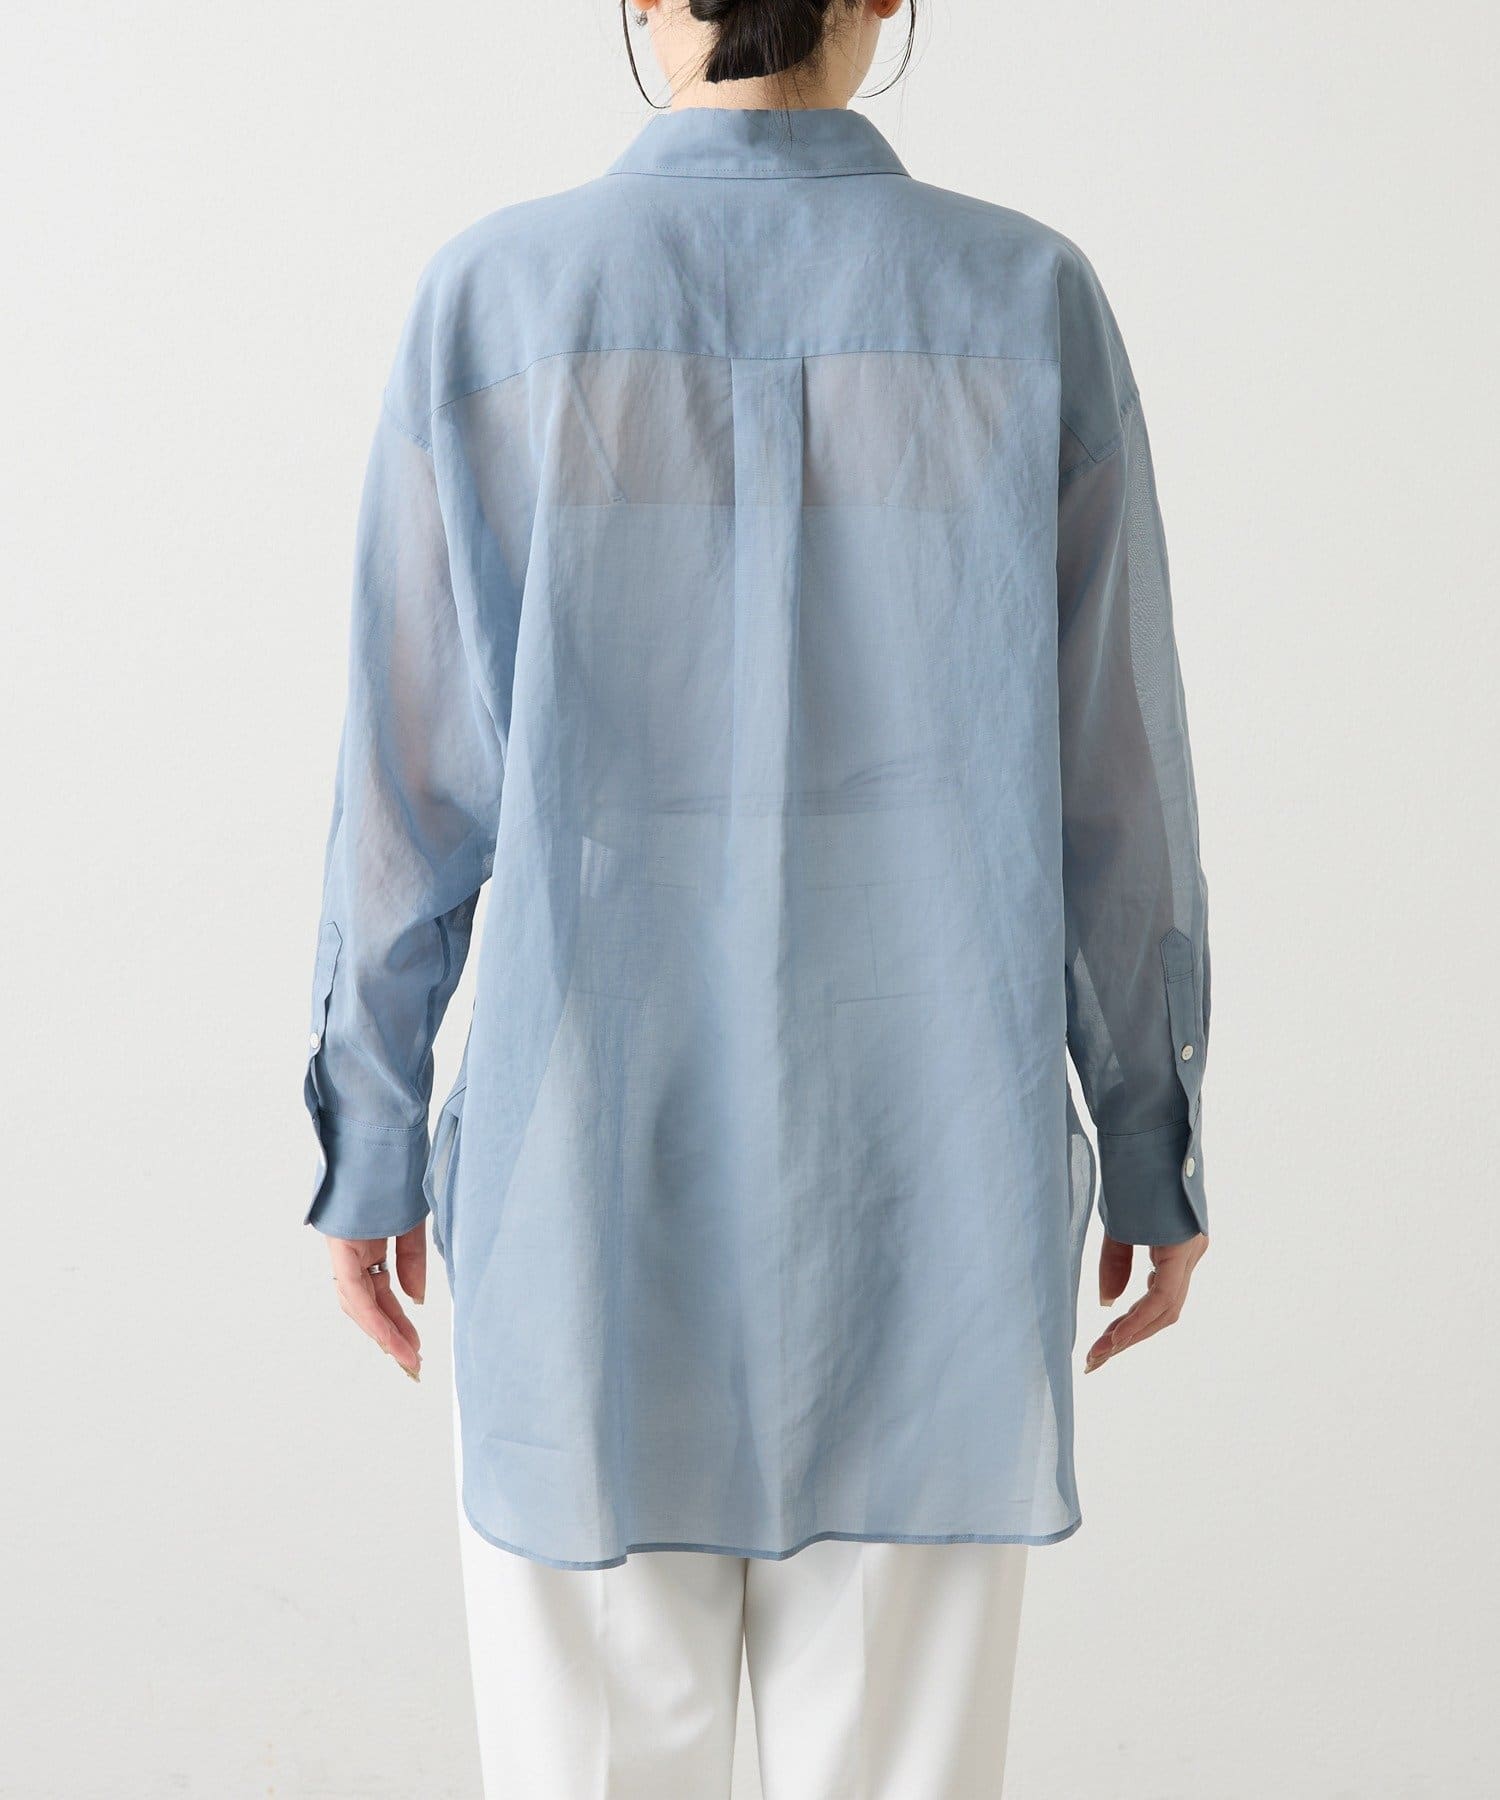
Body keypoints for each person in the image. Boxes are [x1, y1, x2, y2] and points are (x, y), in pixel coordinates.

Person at [301, 0, 1212, 1791]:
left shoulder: (493, 306)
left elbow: (408, 791)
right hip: (930, 1184)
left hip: (579, 1181)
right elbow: (1114, 791)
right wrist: (1151, 1137)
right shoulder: (1026, 303)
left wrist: (372, 1142)